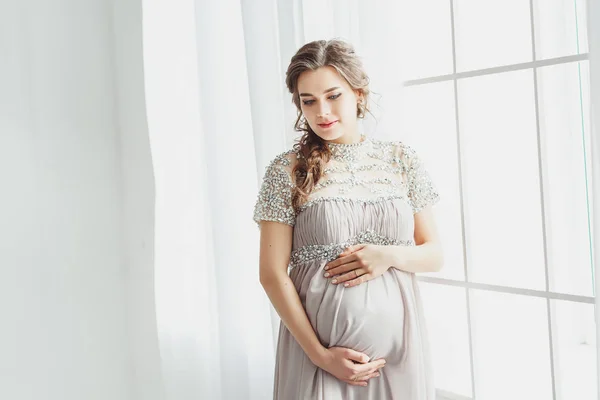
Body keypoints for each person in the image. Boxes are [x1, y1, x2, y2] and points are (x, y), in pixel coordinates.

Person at [253, 39, 443, 399]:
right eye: (308, 101)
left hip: (400, 355)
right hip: (322, 358)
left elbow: (434, 253)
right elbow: (272, 275)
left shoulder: (401, 160)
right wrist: (321, 356)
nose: (321, 111)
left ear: (358, 93)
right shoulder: (287, 169)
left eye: (332, 95)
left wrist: (387, 255)